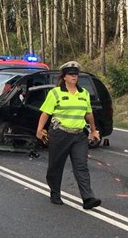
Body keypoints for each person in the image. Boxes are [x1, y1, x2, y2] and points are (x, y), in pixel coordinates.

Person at [36, 61, 102, 209]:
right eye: (71, 74)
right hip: (60, 134)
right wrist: (39, 130)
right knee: (56, 166)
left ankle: (88, 198)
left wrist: (93, 130)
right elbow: (45, 113)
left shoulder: (83, 93)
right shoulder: (55, 93)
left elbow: (89, 113)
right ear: (64, 77)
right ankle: (55, 193)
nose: (74, 77)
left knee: (81, 166)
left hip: (79, 136)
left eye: (76, 74)